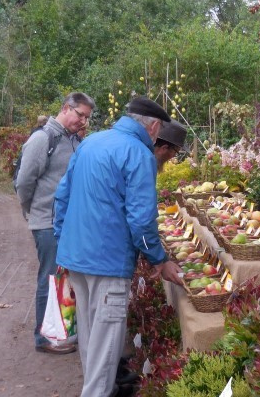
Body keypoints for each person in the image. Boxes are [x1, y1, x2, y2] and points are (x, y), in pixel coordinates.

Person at [54, 96, 183, 397]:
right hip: (108, 264)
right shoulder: (138, 153)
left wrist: (64, 244)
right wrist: (160, 260)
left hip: (77, 259)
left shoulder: (91, 142)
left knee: (90, 341)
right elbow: (141, 220)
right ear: (153, 127)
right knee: (105, 350)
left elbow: (62, 197)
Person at [16, 92, 95, 354]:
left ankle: (62, 330)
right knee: (49, 278)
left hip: (66, 223)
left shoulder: (73, 140)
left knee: (63, 279)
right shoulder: (43, 139)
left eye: (87, 117)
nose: (83, 121)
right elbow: (24, 183)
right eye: (80, 114)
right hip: (47, 223)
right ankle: (43, 338)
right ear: (65, 108)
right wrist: (33, 212)